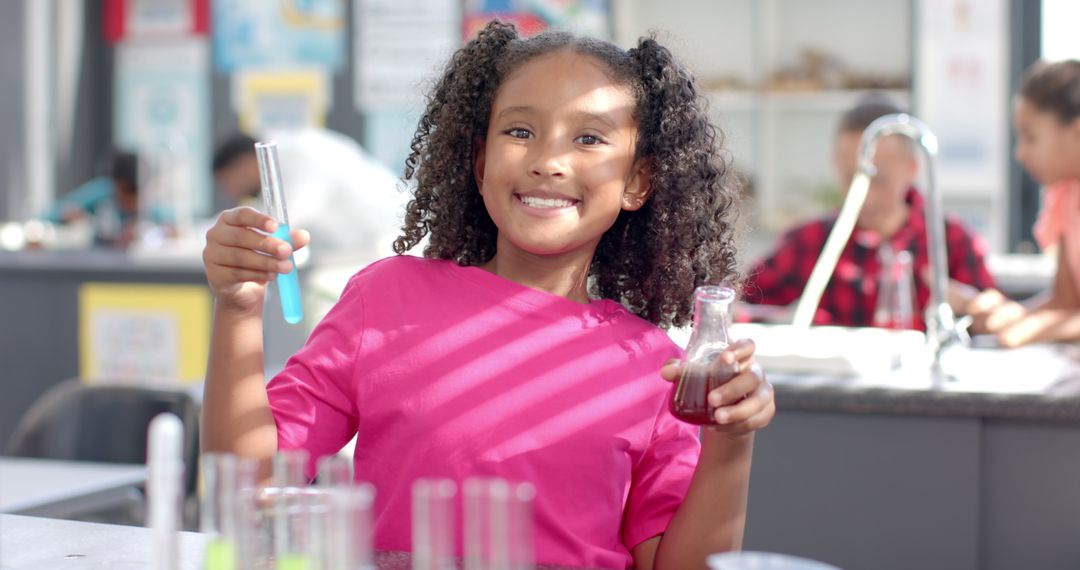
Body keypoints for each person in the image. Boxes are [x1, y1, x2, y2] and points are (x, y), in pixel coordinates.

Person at [201, 21, 774, 569]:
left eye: (590, 139)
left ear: (636, 182)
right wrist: (238, 309)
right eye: (519, 131)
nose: (548, 161)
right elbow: (253, 485)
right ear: (479, 162)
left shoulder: (656, 368)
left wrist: (731, 442)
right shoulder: (385, 298)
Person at [741, 94, 997, 330]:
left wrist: (971, 308)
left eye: (880, 180)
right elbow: (742, 304)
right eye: (851, 178)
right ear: (835, 164)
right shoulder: (812, 241)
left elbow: (996, 321)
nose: (865, 194)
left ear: (912, 168)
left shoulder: (951, 241)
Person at [962, 59, 1080, 346]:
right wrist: (1010, 316)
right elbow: (1066, 302)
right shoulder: (1065, 196)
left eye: (1031, 137)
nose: (1020, 154)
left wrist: (1035, 327)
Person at [211, 127, 408, 263]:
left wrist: (201, 237)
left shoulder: (299, 157)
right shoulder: (292, 154)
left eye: (227, 182)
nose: (230, 192)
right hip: (367, 253)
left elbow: (276, 227)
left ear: (244, 164)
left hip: (392, 247)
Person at [42, 151, 170, 247]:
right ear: (117, 185)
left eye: (135, 196)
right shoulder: (102, 193)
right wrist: (74, 217)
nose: (131, 202)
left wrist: (146, 233)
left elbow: (175, 228)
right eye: (126, 193)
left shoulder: (150, 206)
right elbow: (53, 213)